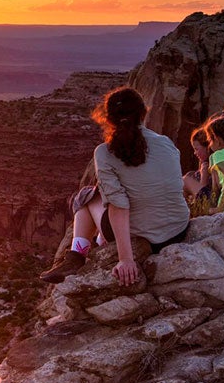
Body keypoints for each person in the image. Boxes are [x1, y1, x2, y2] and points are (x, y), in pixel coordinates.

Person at [40, 87, 190, 286]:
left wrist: (125, 259)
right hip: (178, 229)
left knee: (85, 196)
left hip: (145, 236)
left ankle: (77, 254)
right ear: (144, 112)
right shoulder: (166, 143)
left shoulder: (104, 152)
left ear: (108, 119)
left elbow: (119, 205)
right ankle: (94, 243)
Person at [182, 126, 212, 200]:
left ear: (207, 147)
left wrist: (204, 175)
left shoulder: (210, 166)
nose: (195, 153)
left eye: (196, 149)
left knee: (185, 180)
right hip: (202, 197)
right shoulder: (203, 165)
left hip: (206, 201)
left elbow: (203, 198)